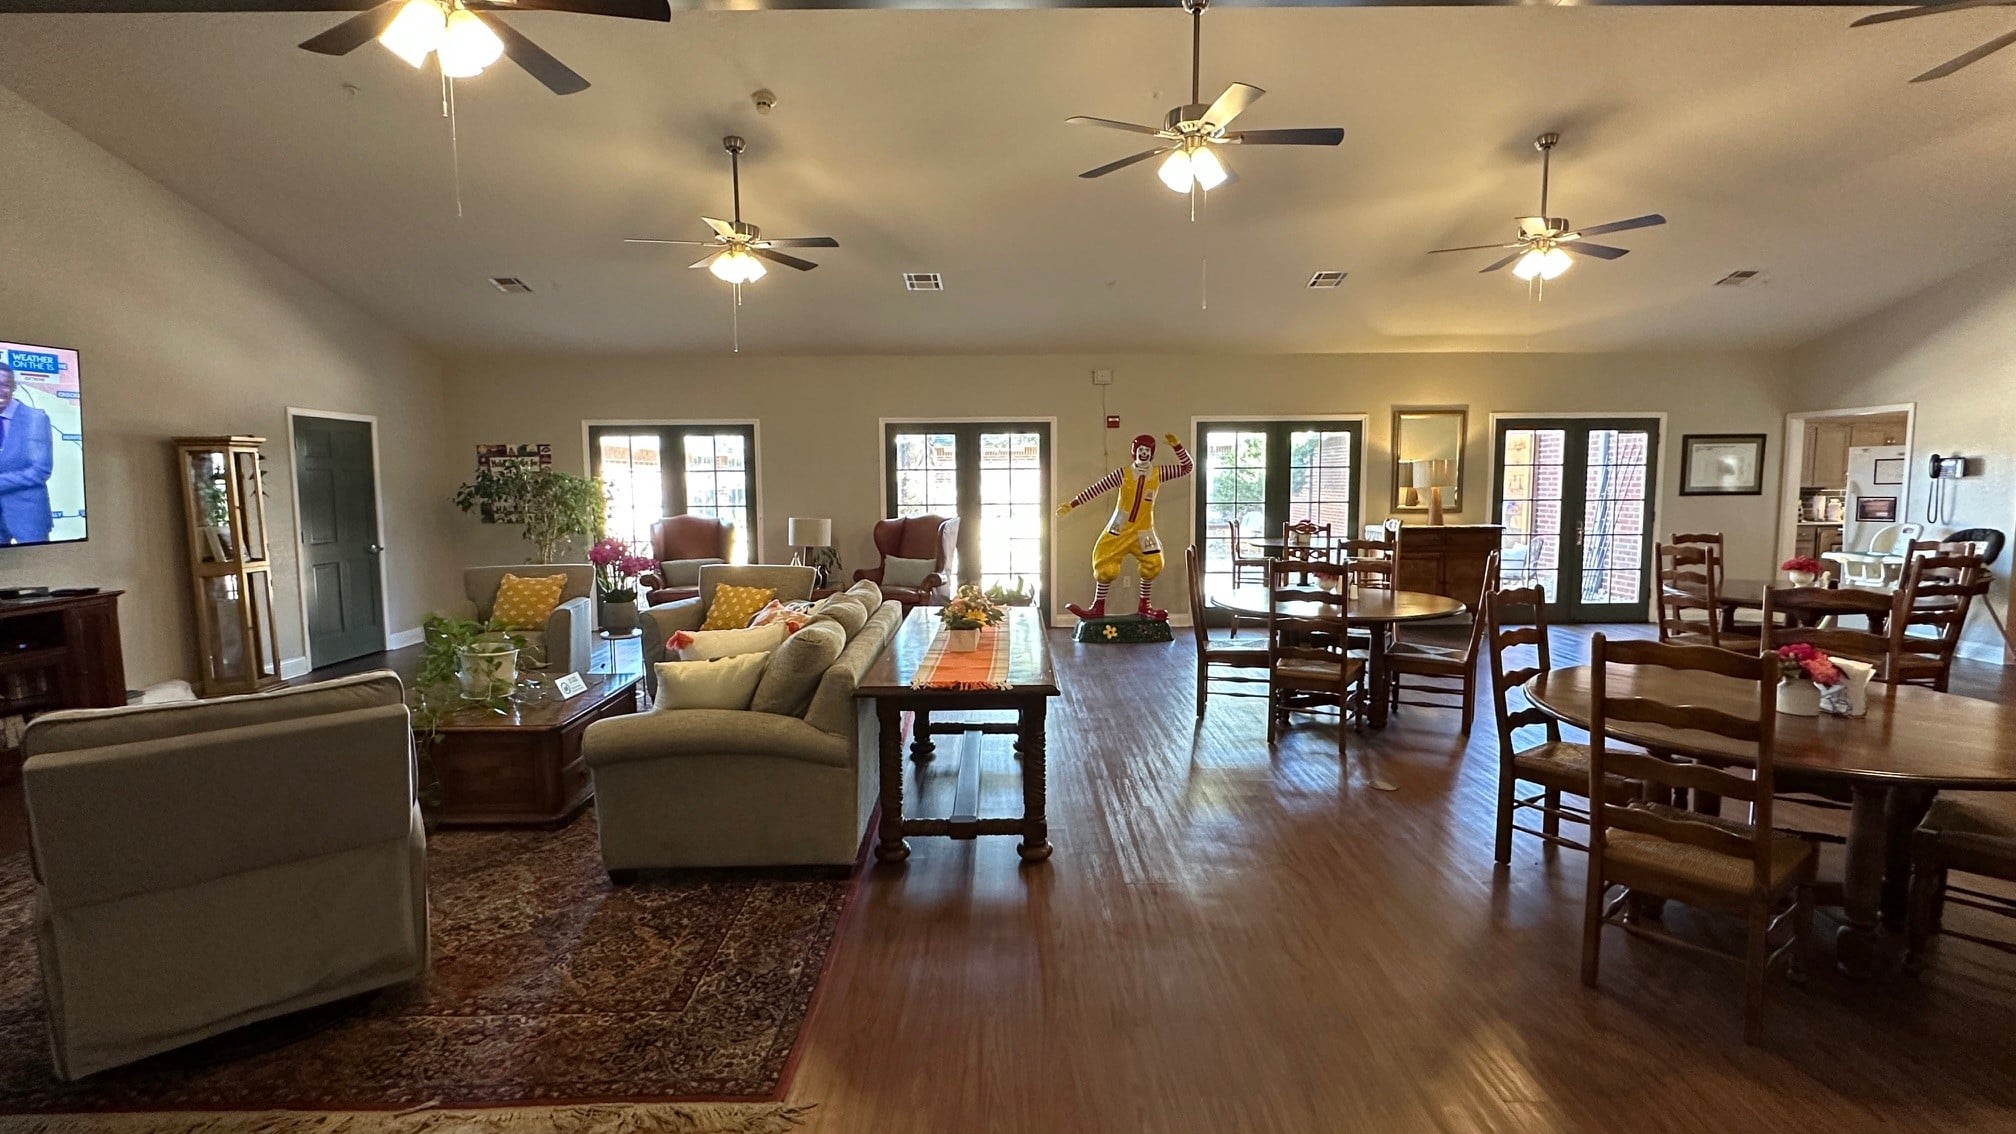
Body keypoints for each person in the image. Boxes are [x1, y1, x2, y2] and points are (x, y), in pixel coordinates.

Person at [1056, 432, 1192, 621]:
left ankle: (1145, 606)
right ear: (1134, 452)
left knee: (1153, 563)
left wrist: (1177, 446)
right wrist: (1072, 504)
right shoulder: (1123, 474)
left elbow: (1187, 468)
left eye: (1147, 450)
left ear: (1152, 453)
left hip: (1143, 530)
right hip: (1119, 528)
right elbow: (1097, 488)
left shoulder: (1158, 473)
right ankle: (1097, 607)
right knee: (1105, 566)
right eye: (1140, 450)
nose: (1143, 453)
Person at [0, 364, 55, 545]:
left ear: (13, 387)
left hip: (28, 516)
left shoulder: (35, 419)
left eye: (5, 385)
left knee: (39, 563)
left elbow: (40, 470)